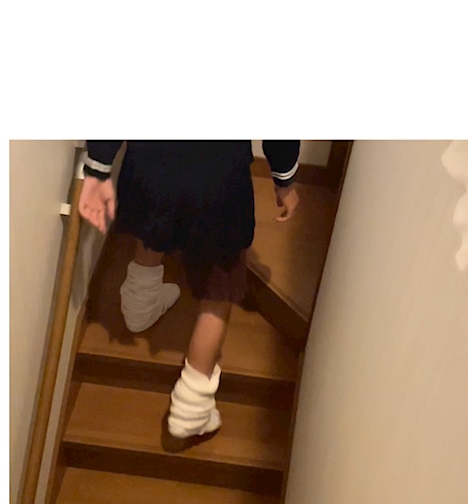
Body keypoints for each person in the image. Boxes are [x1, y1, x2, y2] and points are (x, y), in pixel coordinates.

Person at [78, 140, 301, 440]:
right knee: (220, 284)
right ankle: (190, 409)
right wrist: (284, 180)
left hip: (149, 162)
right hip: (218, 176)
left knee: (152, 222)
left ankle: (139, 307)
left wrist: (98, 168)